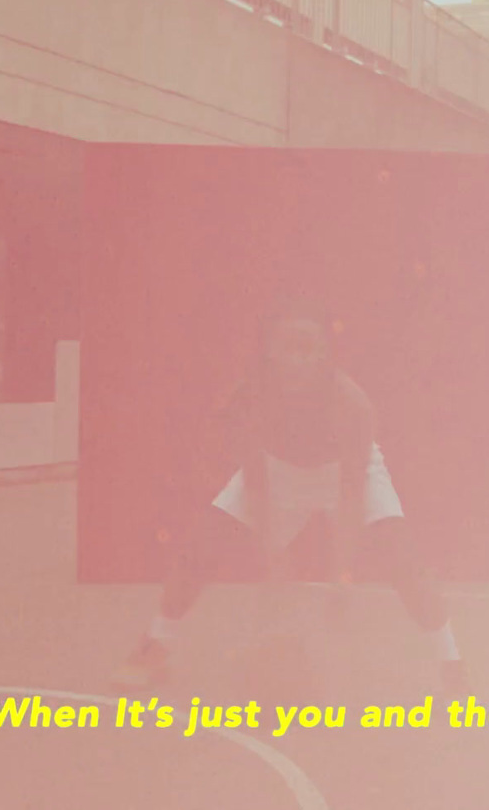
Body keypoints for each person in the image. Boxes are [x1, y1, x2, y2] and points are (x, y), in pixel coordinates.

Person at [113, 296, 468, 693]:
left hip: (345, 473)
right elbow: (256, 482)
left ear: (323, 354)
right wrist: (273, 556)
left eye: (308, 347)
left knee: (403, 559)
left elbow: (350, 491)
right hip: (275, 471)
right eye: (288, 346)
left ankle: (451, 664)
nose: (298, 358)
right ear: (269, 351)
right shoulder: (249, 398)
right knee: (200, 548)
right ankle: (156, 647)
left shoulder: (352, 404)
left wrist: (342, 572)